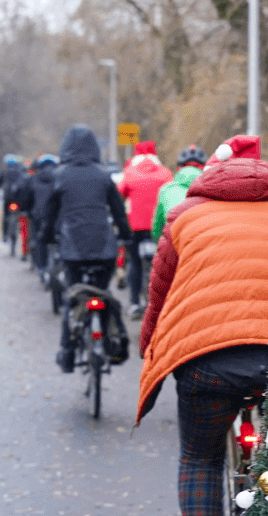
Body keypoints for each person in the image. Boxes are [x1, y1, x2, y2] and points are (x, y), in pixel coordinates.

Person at [136, 135, 268, 516]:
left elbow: (159, 296)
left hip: (206, 361)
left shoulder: (185, 215)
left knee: (200, 457)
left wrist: (150, 351)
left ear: (205, 177)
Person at [41, 125, 134, 373]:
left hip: (72, 250)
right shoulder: (103, 176)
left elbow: (49, 216)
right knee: (101, 292)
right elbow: (118, 212)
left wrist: (46, 238)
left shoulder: (60, 176)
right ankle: (108, 339)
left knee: (74, 297)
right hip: (104, 249)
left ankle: (68, 352)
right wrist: (126, 237)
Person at [117, 140, 172, 313]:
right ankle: (160, 304)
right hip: (158, 228)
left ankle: (134, 303)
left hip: (135, 227)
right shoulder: (165, 173)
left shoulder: (129, 172)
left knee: (134, 262)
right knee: (160, 264)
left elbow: (119, 196)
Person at [150, 145, 207, 242]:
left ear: (179, 168)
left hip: (175, 243)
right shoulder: (211, 189)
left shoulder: (166, 190)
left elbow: (157, 228)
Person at [26, 154, 59, 278]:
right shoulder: (60, 177)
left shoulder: (33, 179)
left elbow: (27, 199)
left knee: (39, 240)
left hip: (37, 217)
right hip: (55, 216)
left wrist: (28, 212)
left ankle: (41, 268)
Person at [0, 154, 25, 242]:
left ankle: (5, 236)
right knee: (21, 214)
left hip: (7, 199)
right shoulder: (20, 172)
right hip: (18, 199)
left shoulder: (3, 173)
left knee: (6, 216)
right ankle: (21, 231)